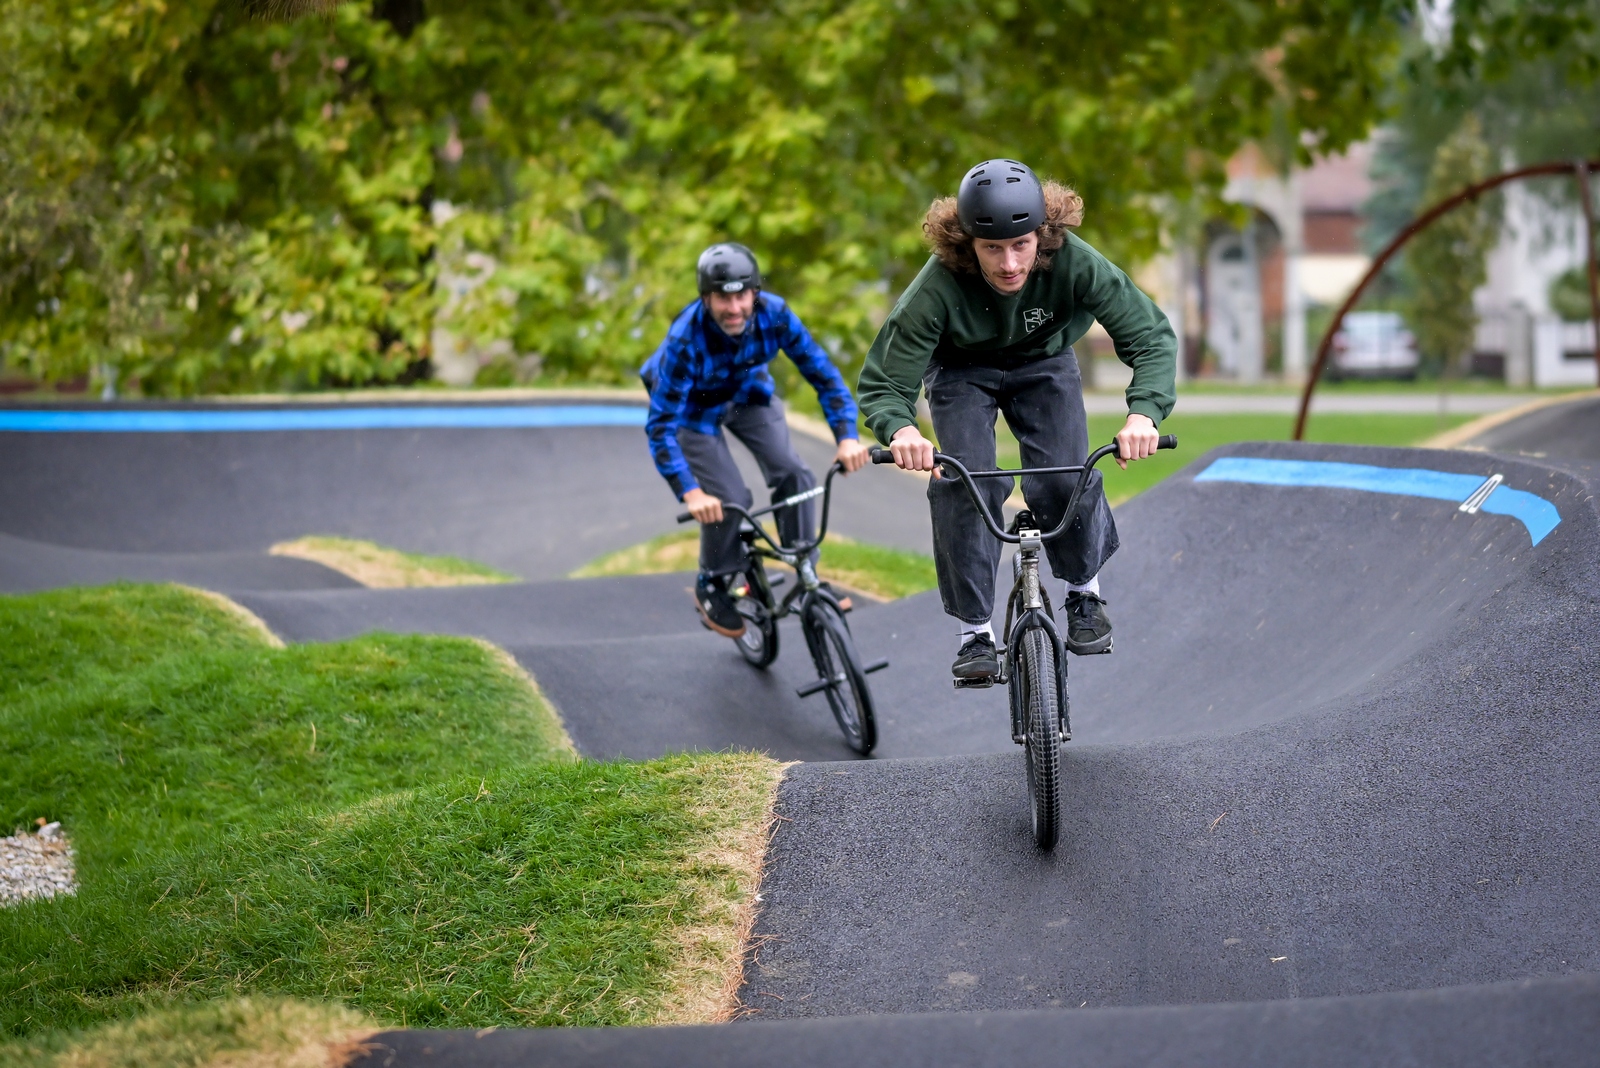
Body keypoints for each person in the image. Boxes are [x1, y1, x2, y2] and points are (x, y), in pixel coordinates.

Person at [856, 159, 1176, 679]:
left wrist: (1144, 414)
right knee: (963, 481)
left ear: (1042, 235)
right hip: (961, 371)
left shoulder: (1073, 262)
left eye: (1021, 245)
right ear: (967, 245)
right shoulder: (936, 287)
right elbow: (885, 381)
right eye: (992, 249)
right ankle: (974, 634)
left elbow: (1150, 336)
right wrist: (902, 430)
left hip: (1044, 362)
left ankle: (1083, 594)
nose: (1009, 263)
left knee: (1064, 476)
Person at [643, 242, 870, 637]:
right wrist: (691, 493)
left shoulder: (776, 315)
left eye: (741, 296)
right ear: (705, 298)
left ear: (755, 294)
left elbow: (823, 375)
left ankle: (804, 573)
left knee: (794, 474)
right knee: (730, 500)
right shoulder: (685, 338)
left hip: (747, 395)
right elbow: (660, 426)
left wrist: (847, 437)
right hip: (692, 411)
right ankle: (712, 579)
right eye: (721, 299)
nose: (733, 309)